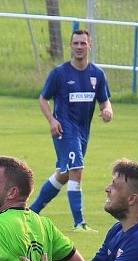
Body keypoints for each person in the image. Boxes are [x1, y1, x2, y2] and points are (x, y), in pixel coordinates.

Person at [29, 29, 113, 232]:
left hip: (83, 132)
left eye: (83, 43)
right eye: (75, 43)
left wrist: (108, 110)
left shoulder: (97, 74)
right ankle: (79, 223)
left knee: (64, 173)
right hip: (65, 130)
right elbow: (43, 99)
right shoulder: (60, 74)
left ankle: (32, 212)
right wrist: (52, 120)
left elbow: (104, 101)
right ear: (70, 46)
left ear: (89, 46)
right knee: (76, 170)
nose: (79, 47)